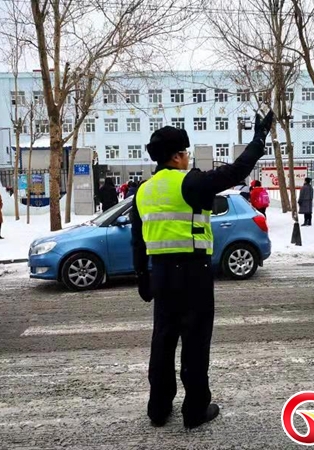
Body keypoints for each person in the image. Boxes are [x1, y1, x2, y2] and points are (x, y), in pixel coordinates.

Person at [131, 111, 274, 429]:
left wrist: (143, 277)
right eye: (185, 153)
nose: (188, 158)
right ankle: (195, 411)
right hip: (193, 273)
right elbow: (237, 171)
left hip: (161, 275)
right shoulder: (191, 181)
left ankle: (158, 408)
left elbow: (137, 240)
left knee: (163, 341)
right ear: (177, 156)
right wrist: (258, 139)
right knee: (195, 343)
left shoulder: (143, 190)